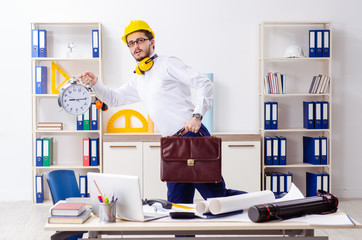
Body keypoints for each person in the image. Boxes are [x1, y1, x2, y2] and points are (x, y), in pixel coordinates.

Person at [78, 20, 245, 204]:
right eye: (131, 43)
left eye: (140, 40)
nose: (136, 46)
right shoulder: (139, 78)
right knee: (177, 206)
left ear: (152, 41)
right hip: (172, 145)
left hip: (191, 137)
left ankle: (269, 204)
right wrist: (95, 83)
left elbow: (204, 83)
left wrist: (197, 116)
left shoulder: (167, 64)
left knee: (217, 198)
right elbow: (114, 98)